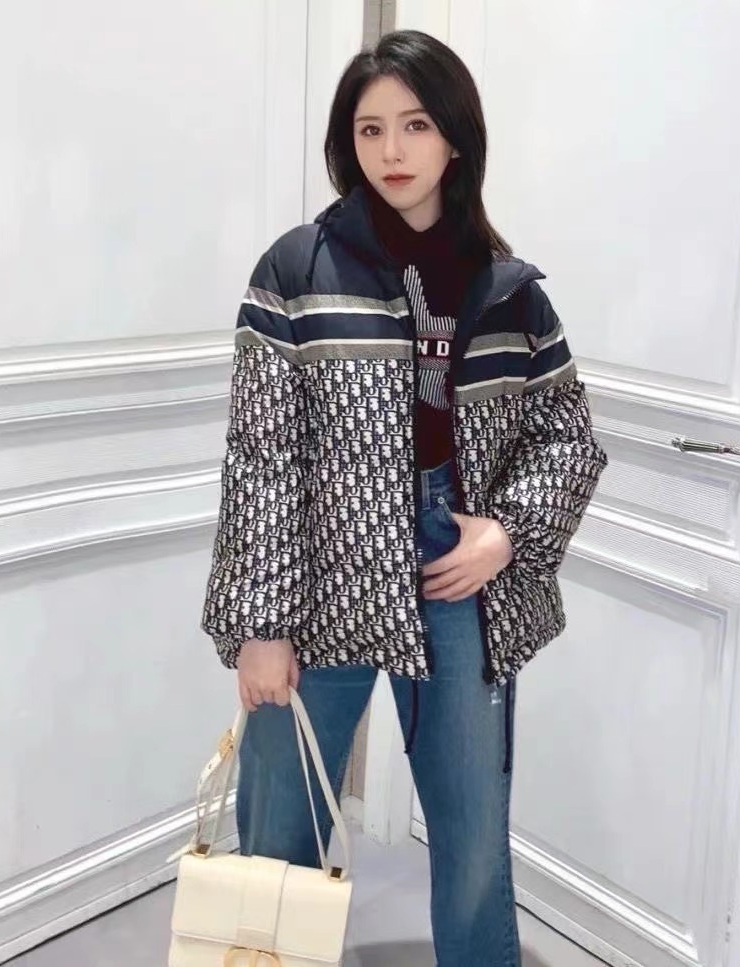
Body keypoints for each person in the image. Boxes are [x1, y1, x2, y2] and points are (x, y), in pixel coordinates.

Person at [200, 28, 608, 967]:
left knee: (470, 833)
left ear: (454, 139)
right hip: (320, 573)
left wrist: (506, 534)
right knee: (280, 824)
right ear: (348, 142)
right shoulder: (296, 271)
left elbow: (567, 435)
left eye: (416, 125)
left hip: (459, 570)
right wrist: (260, 626)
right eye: (370, 128)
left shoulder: (511, 291)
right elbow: (262, 456)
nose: (392, 150)